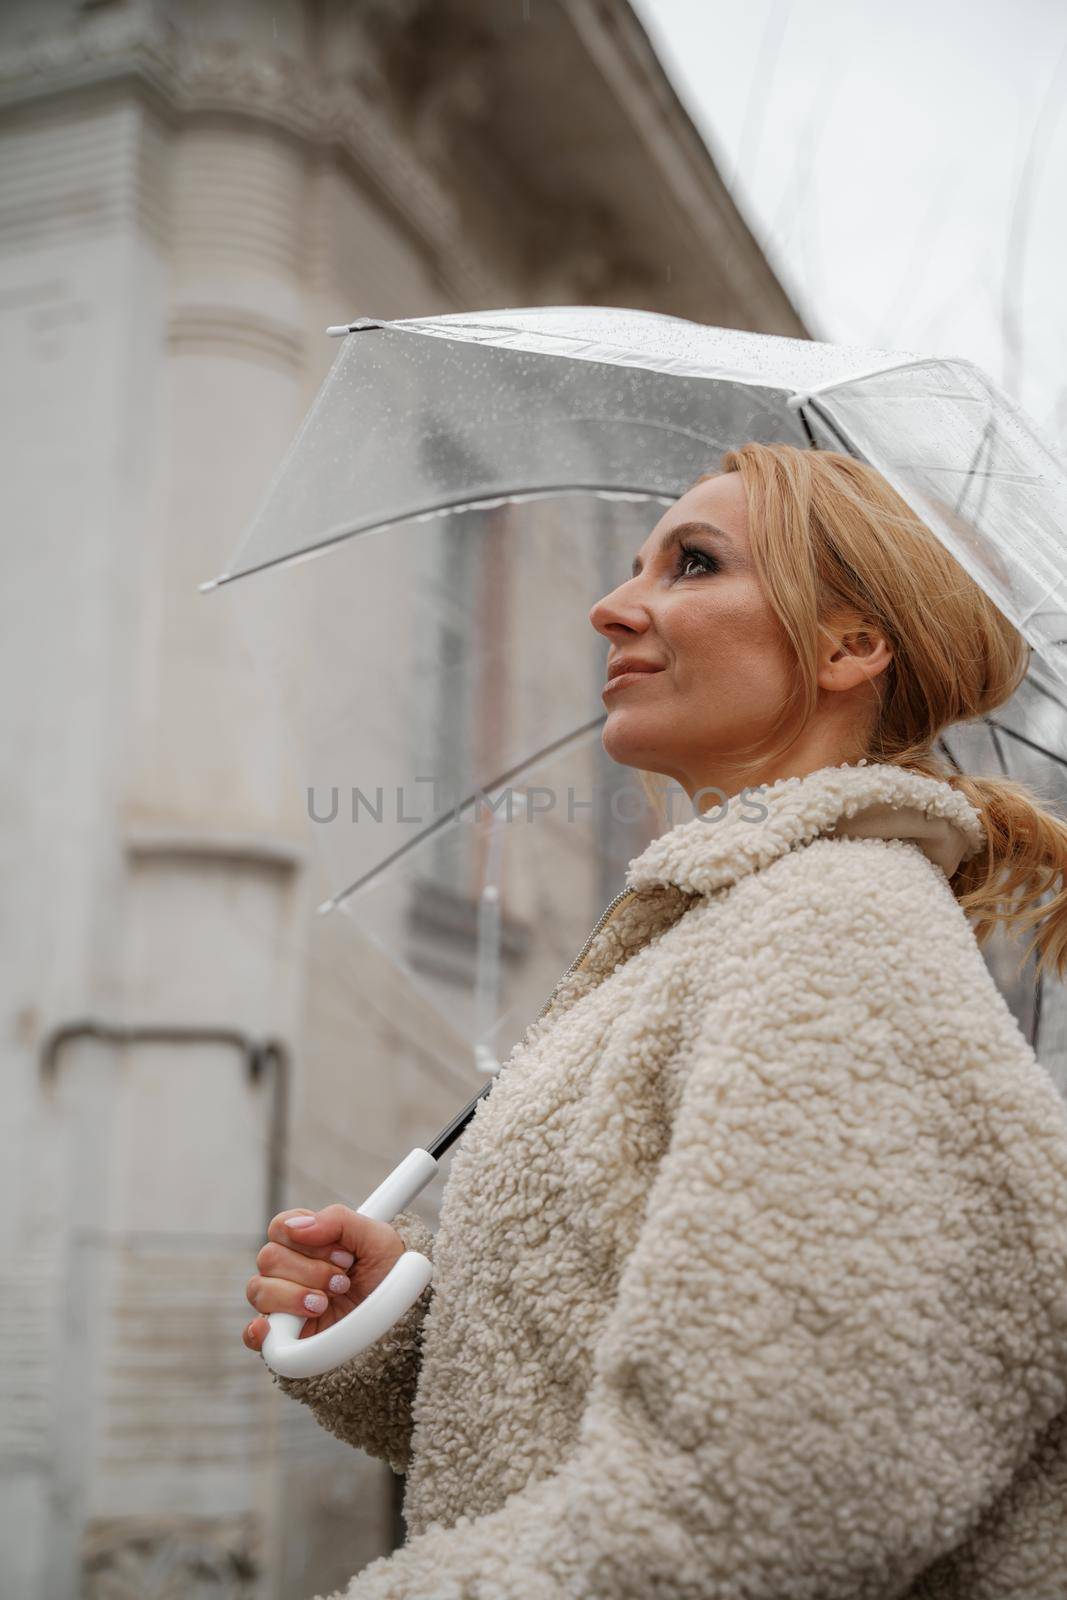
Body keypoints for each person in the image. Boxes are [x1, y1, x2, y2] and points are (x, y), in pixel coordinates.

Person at [242, 443, 1067, 1599]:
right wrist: (397, 1329)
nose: (611, 604)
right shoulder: (715, 929)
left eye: (690, 563)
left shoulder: (830, 925)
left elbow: (770, 1493)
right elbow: (601, 1392)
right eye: (637, 564)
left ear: (847, 646)